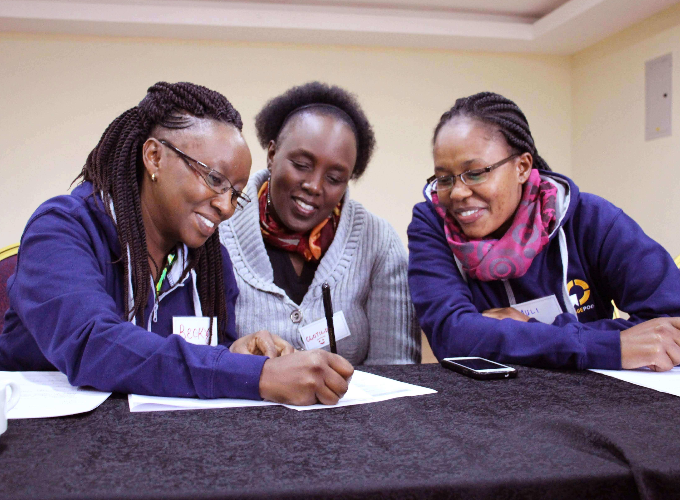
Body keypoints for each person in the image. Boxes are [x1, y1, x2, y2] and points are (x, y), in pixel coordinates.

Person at [0, 82, 353, 405]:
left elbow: (200, 361)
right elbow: (93, 344)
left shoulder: (212, 263)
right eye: (215, 179)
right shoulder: (63, 228)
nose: (226, 206)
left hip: (156, 443)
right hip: (41, 442)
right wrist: (256, 376)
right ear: (154, 157)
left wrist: (236, 352)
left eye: (236, 194)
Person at [408, 91, 680, 371]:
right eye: (444, 178)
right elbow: (452, 337)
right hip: (490, 407)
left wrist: (528, 329)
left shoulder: (590, 219)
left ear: (522, 167)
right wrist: (608, 345)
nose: (458, 192)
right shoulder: (432, 223)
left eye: (476, 172)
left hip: (598, 402)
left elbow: (672, 324)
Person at [220, 82, 420, 365]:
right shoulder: (220, 226)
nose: (314, 186)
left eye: (334, 178)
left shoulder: (378, 243)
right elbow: (197, 359)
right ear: (273, 154)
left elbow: (398, 371)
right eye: (301, 165)